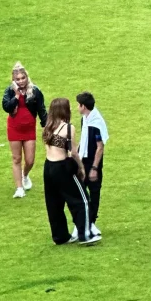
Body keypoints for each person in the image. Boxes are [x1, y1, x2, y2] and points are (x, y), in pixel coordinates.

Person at [42, 97, 95, 245]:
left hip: (48, 167)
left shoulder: (48, 126)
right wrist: (81, 167)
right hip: (61, 167)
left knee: (53, 203)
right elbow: (73, 152)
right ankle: (86, 235)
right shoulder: (68, 127)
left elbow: (47, 146)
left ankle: (60, 236)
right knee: (81, 199)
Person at [2, 62, 47, 198]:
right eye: (18, 79)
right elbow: (6, 107)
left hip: (29, 129)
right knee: (16, 158)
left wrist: (47, 126)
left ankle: (25, 175)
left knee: (30, 160)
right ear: (13, 80)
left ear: (27, 77)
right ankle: (19, 188)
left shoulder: (35, 91)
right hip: (14, 128)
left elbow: (41, 109)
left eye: (23, 78)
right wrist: (16, 95)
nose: (21, 81)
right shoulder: (9, 91)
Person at [76, 91, 107, 240]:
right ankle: (81, 223)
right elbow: (83, 138)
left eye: (78, 105)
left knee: (94, 193)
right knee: (81, 192)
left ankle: (92, 222)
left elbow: (100, 147)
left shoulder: (96, 123)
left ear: (83, 106)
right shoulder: (85, 118)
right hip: (83, 159)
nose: (77, 107)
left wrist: (94, 168)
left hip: (92, 162)